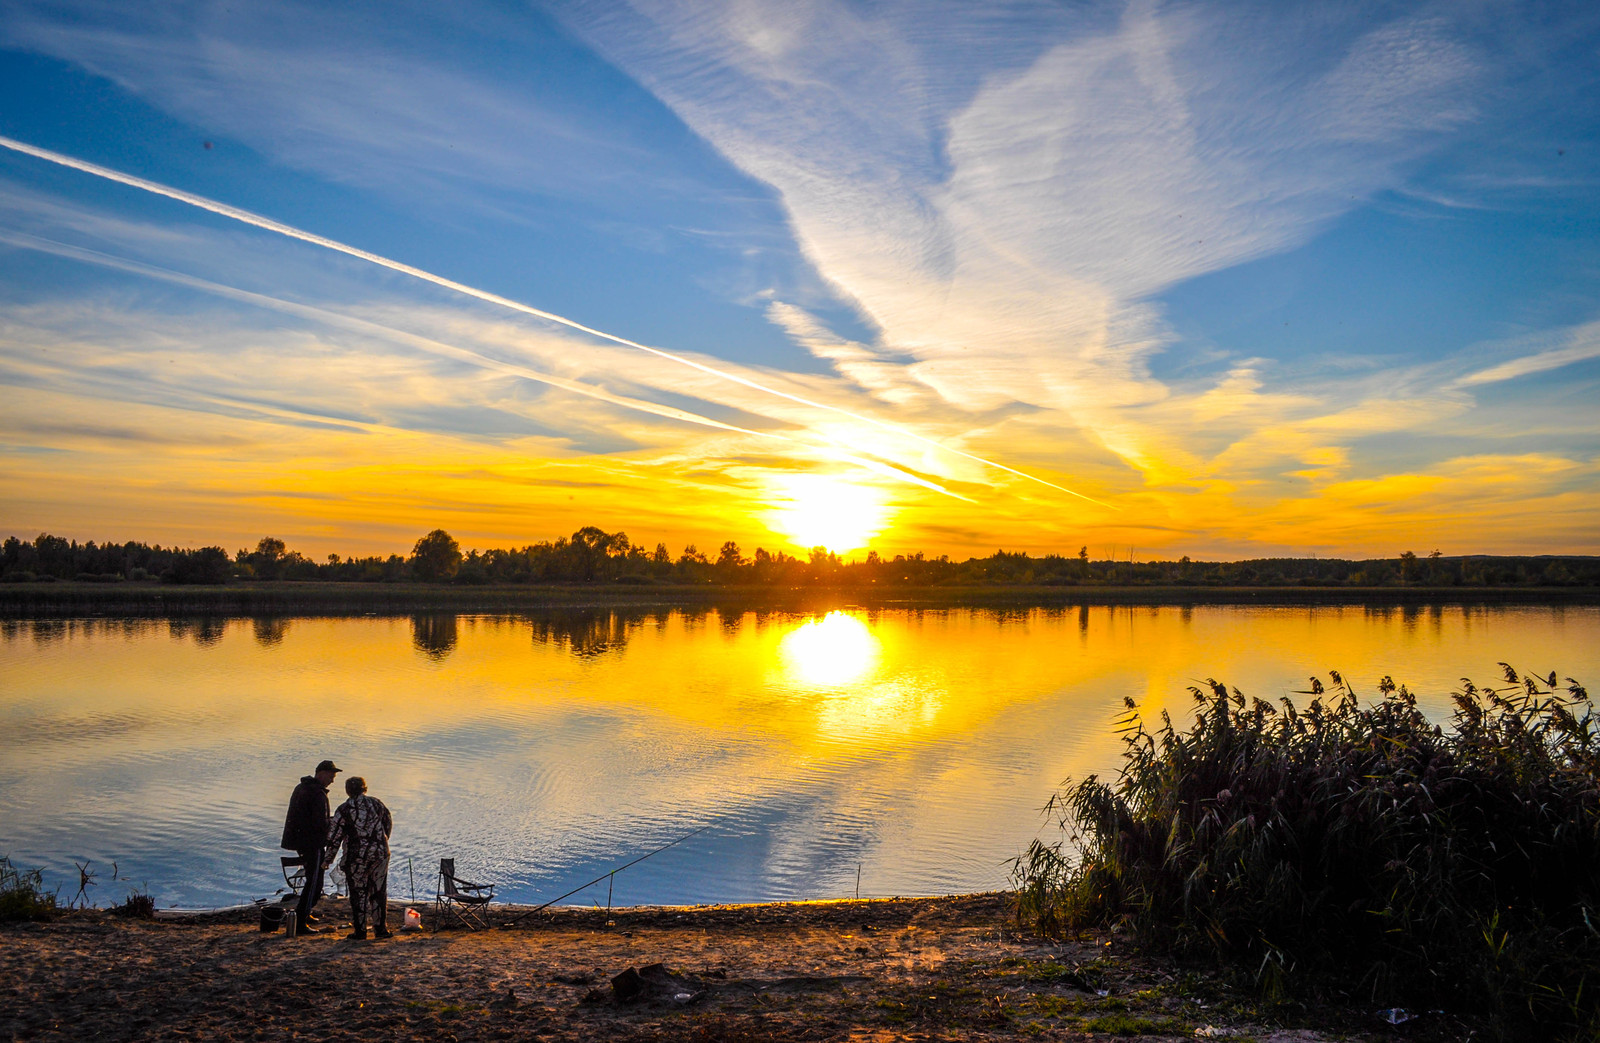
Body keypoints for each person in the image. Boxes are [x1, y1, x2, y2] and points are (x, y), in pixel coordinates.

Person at [325, 775, 393, 940]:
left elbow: (334, 837)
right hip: (380, 854)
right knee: (378, 891)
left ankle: (360, 931)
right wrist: (381, 843)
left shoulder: (344, 809)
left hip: (357, 857)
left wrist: (328, 859)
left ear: (347, 791)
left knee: (358, 893)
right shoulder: (377, 804)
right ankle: (380, 930)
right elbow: (388, 824)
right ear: (365, 789)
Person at [280, 759, 339, 933]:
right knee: (314, 882)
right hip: (312, 843)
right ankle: (300, 922)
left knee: (314, 879)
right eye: (331, 775)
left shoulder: (302, 788)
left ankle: (304, 913)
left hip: (301, 842)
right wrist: (333, 824)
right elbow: (319, 824)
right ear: (321, 773)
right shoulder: (317, 793)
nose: (332, 780)